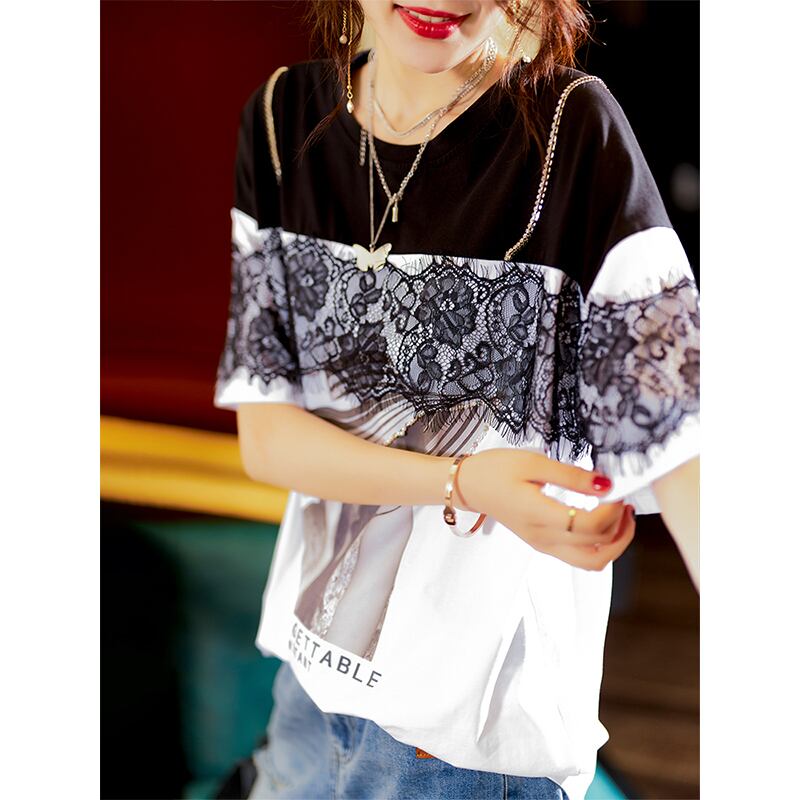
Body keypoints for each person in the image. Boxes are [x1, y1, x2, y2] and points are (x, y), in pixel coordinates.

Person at [212, 1, 700, 798]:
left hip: (467, 743)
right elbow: (268, 439)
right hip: (309, 691)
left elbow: (679, 425)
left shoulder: (571, 130)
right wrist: (464, 482)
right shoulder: (281, 118)